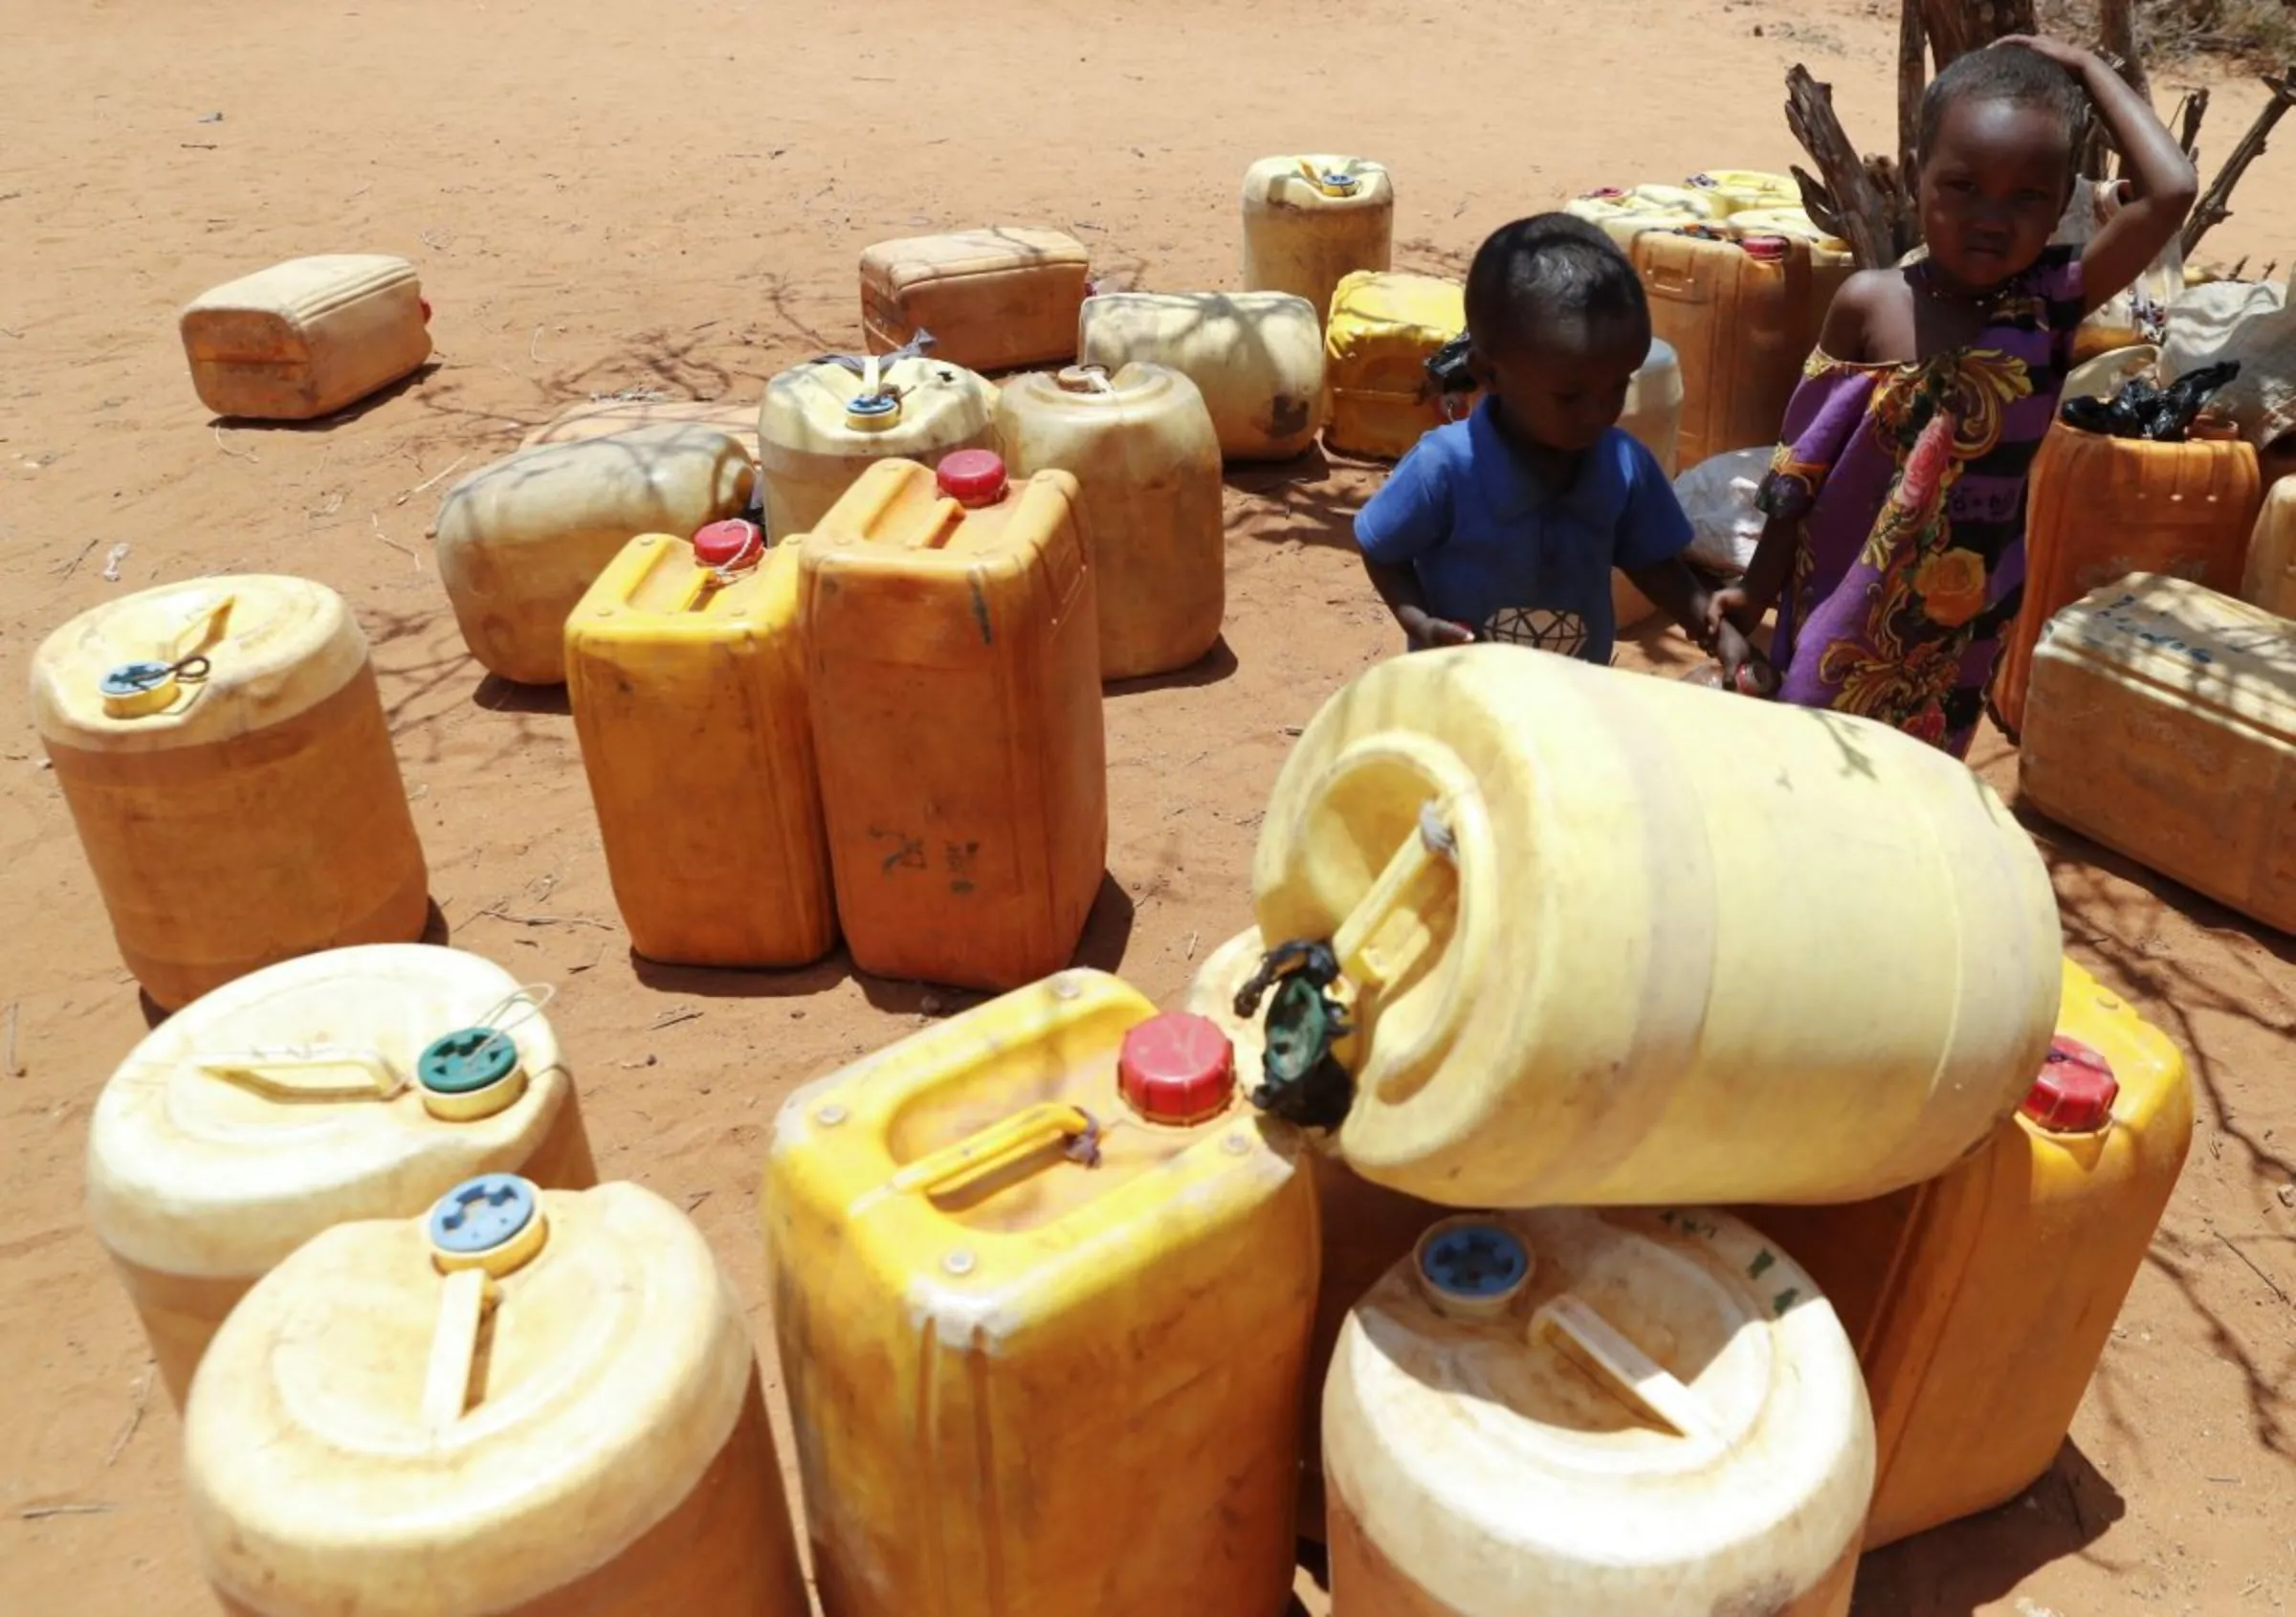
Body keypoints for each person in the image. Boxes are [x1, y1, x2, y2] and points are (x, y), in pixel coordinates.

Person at [1708, 34, 2198, 757]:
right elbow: (1798, 470)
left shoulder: (2051, 306)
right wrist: (1754, 594)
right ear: (1915, 177)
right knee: (1804, 756)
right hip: (1842, 602)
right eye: (1962, 186)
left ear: (2062, 201)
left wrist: (2087, 70)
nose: (1990, 218)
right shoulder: (1869, 304)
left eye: (2026, 197)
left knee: (1918, 785)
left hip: (1961, 621)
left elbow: (2173, 190)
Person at [1356, 213, 1759, 681]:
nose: (1601, 411)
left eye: (1618, 386)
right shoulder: (1444, 467)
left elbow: (1653, 564)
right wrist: (1417, 620)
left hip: (1572, 694)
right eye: (1570, 397)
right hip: (1457, 690)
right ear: (1488, 374)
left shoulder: (1622, 465)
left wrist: (1713, 629)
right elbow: (1381, 548)